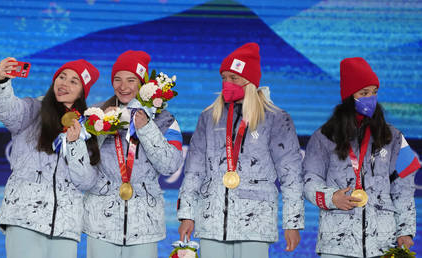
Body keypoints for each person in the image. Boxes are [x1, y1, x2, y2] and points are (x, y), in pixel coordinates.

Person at [177, 42, 304, 258]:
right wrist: (187, 214)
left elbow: (291, 175)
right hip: (212, 221)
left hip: (255, 222)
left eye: (233, 78)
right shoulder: (208, 117)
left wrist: (292, 223)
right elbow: (194, 172)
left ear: (250, 82)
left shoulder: (275, 118)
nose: (227, 83)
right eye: (224, 78)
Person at [65, 50, 184, 258]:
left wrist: (146, 128)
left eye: (131, 80)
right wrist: (102, 127)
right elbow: (83, 168)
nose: (123, 86)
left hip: (145, 226)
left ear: (143, 84)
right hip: (100, 223)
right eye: (117, 79)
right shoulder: (96, 114)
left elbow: (170, 166)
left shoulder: (164, 119)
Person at [303, 57, 420, 258]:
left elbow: (404, 187)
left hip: (382, 244)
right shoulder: (323, 137)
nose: (371, 99)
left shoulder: (393, 137)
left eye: (374, 92)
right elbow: (308, 182)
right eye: (364, 93)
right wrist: (332, 197)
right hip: (336, 246)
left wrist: (405, 231)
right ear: (349, 97)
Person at [0, 57, 100, 258]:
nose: (64, 83)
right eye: (61, 77)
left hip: (65, 228)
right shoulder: (33, 110)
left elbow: (86, 181)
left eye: (74, 81)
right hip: (24, 219)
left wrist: (75, 145)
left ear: (83, 92)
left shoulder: (88, 128)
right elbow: (7, 110)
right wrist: (1, 81)